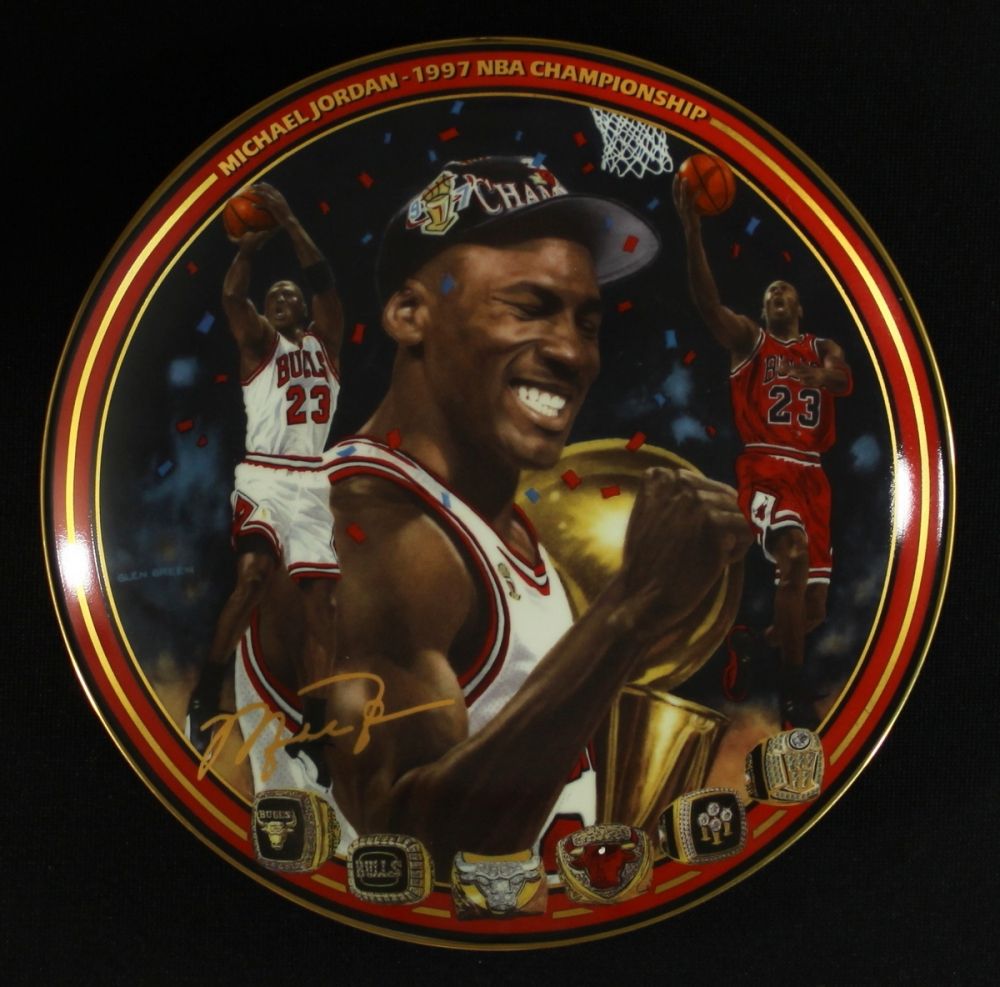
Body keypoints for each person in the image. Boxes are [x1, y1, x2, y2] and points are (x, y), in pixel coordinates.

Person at [318, 157, 751, 874]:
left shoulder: (507, 525)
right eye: (529, 307)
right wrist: (630, 613)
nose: (573, 352)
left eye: (588, 322)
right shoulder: (380, 532)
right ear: (409, 314)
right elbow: (407, 855)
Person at [672, 173, 852, 730]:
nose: (776, 295)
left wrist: (819, 376)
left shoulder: (822, 346)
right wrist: (692, 230)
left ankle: (751, 646)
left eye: (784, 291)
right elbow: (708, 304)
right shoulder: (751, 341)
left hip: (813, 477)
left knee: (812, 609)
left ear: (797, 304)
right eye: (769, 292)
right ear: (763, 307)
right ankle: (792, 694)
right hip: (766, 466)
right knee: (791, 555)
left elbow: (843, 378)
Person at [185, 183, 344, 783]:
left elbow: (325, 281)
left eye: (288, 294)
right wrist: (248, 252)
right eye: (271, 296)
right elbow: (232, 296)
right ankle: (207, 693)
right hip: (264, 474)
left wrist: (291, 218)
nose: (279, 299)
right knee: (252, 578)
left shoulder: (327, 343)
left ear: (303, 308)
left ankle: (314, 729)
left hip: (312, 481)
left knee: (322, 608)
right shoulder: (258, 344)